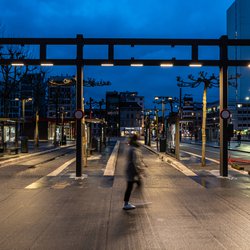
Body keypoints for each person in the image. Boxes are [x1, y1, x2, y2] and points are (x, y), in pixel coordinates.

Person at [123, 134, 146, 210]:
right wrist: (139, 171)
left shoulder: (131, 148)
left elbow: (138, 159)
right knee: (130, 186)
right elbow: (135, 162)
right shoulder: (134, 149)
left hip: (131, 170)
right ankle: (126, 204)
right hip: (132, 171)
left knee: (133, 185)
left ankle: (127, 202)